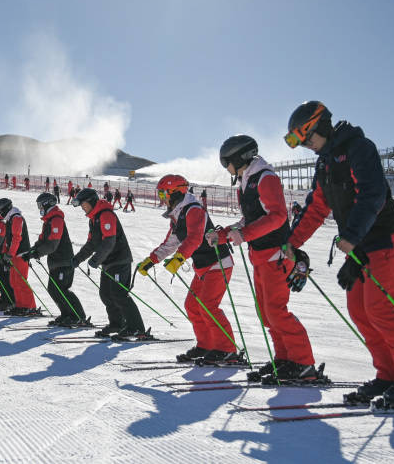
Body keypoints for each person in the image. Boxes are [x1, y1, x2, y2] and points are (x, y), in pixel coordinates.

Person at [285, 101, 394, 406]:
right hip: (359, 250)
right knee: (360, 311)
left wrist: (351, 236)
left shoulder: (358, 148)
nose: (305, 144)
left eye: (306, 136)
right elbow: (316, 207)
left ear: (321, 125)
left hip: (384, 241)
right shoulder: (324, 162)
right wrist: (292, 242)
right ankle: (390, 374)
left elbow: (373, 193)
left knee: (380, 310)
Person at [207, 135, 318, 382]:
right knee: (266, 313)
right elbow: (250, 219)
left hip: (276, 254)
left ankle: (303, 363)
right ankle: (284, 359)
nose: (227, 168)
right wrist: (224, 235)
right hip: (260, 255)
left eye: (227, 162)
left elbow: (277, 216)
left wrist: (244, 234)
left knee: (277, 311)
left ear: (239, 157)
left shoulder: (266, 178)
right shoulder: (247, 181)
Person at [138, 175, 240, 363]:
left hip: (218, 263)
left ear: (176, 192)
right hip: (203, 267)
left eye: (163, 193)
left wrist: (179, 258)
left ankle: (227, 350)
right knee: (192, 306)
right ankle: (206, 345)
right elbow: (171, 243)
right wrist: (151, 260)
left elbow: (195, 238)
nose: (161, 197)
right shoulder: (177, 214)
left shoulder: (194, 210)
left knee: (208, 306)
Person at [71, 188, 148, 339]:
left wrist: (96, 259)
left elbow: (109, 241)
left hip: (120, 260)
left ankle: (136, 328)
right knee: (105, 294)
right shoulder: (93, 219)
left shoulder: (106, 214)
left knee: (119, 294)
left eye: (84, 204)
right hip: (108, 263)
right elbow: (91, 243)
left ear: (92, 202)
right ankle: (117, 323)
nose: (82, 208)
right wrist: (77, 259)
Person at [26, 192, 87, 327]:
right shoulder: (49, 220)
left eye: (40, 205)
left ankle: (78, 316)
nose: (39, 209)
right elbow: (42, 240)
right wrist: (32, 250)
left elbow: (52, 244)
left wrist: (37, 253)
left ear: (47, 204)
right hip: (56, 262)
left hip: (63, 261)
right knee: (54, 289)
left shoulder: (56, 220)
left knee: (61, 289)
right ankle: (67, 314)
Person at [0, 197, 39, 316]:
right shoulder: (10, 219)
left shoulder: (17, 218)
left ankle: (30, 307)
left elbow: (16, 238)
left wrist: (10, 254)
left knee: (21, 281)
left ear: (5, 208)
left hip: (21, 254)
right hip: (14, 255)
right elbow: (7, 240)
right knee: (13, 281)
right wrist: (5, 252)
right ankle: (20, 305)